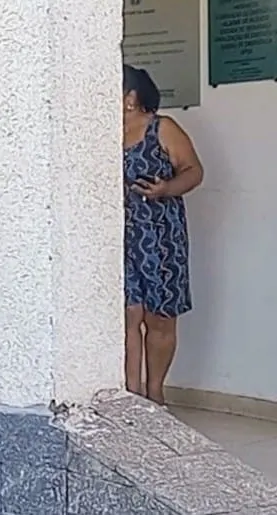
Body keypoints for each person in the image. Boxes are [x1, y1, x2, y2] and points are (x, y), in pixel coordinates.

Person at [123, 65, 202, 405]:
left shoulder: (162, 128)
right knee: (127, 316)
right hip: (118, 240)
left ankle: (155, 395)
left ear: (131, 97)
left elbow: (194, 171)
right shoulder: (96, 130)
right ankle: (131, 396)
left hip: (161, 238)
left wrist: (166, 188)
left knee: (159, 319)